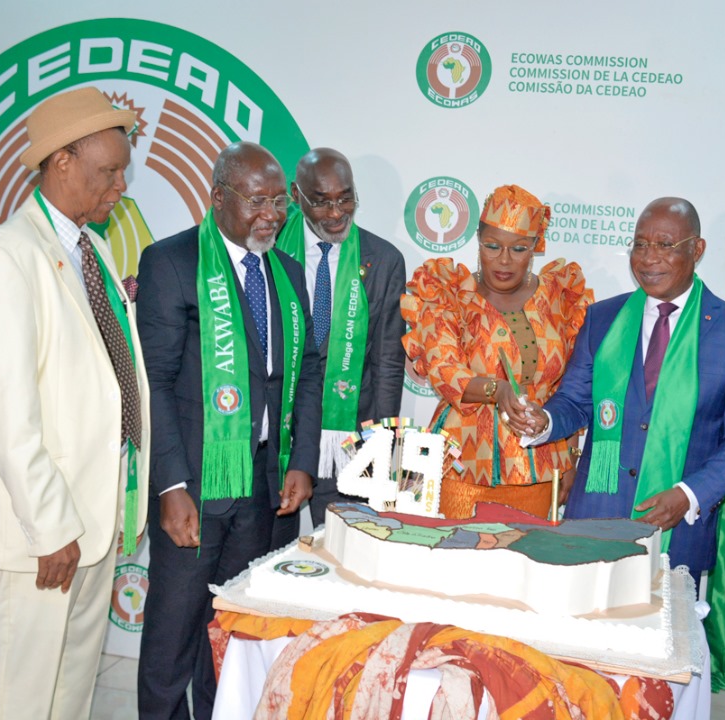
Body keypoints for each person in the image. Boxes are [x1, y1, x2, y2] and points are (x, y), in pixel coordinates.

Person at [0, 87, 149, 719]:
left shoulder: (90, 250)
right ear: (61, 161)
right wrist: (51, 528)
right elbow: (6, 416)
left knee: (69, 693)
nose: (120, 187)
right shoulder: (4, 258)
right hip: (44, 532)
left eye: (122, 172)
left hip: (93, 521)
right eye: (108, 172)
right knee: (21, 696)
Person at [135, 141, 323, 720]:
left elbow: (308, 372)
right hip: (196, 486)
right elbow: (154, 383)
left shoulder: (287, 272)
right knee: (173, 641)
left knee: (231, 640)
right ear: (218, 197)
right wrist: (171, 487)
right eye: (257, 200)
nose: (272, 215)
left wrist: (301, 460)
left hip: (263, 490)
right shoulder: (171, 262)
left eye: (279, 202)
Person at [511, 197, 725, 589]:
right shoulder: (603, 318)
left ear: (697, 249)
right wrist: (544, 420)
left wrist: (689, 494)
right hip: (593, 521)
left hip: (677, 531)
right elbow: (576, 401)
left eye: (665, 245)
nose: (649, 258)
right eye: (640, 244)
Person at [402, 184, 592, 519]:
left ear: (535, 246)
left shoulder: (557, 296)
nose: (504, 260)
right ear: (477, 239)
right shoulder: (449, 293)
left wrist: (570, 458)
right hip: (461, 464)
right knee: (457, 549)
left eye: (518, 249)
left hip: (539, 464)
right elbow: (445, 371)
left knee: (528, 551)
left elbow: (569, 388)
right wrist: (497, 389)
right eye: (492, 246)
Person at [277, 148, 407, 527]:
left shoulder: (383, 260)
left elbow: (387, 363)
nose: (336, 213)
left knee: (343, 547)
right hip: (279, 439)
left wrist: (382, 446)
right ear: (296, 195)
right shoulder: (269, 249)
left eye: (345, 198)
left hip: (348, 439)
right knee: (272, 553)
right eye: (321, 202)